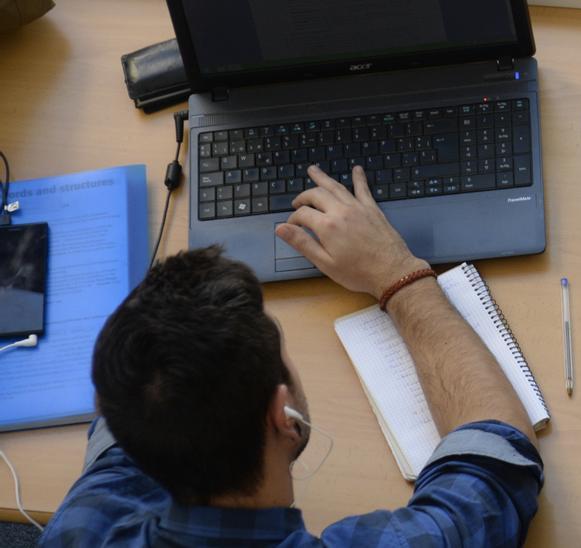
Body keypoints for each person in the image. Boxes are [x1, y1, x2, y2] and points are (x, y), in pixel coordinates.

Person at [41, 166, 543, 547]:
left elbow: (128, 390)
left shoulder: (85, 526)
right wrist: (396, 274)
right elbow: (496, 460)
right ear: (285, 416)